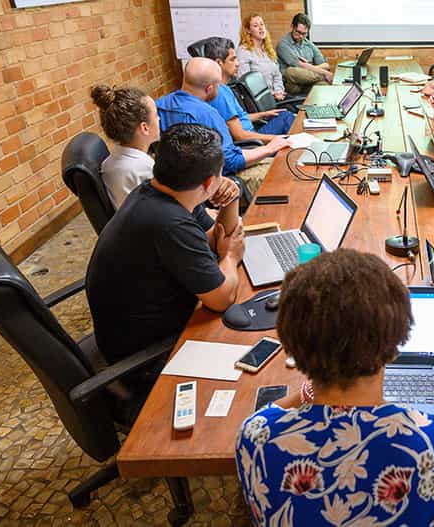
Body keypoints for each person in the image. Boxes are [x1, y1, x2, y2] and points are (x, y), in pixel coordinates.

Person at [236, 249, 434, 526]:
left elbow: (267, 417)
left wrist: (308, 385)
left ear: (289, 344)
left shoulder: (255, 437)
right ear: (395, 345)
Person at [86, 123, 244, 372]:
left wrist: (231, 197)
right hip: (146, 355)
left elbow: (215, 237)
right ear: (208, 182)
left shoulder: (165, 190)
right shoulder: (170, 223)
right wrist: (231, 257)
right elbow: (222, 299)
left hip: (139, 325)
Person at [156, 57, 289, 196]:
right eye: (218, 85)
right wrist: (269, 148)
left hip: (174, 185)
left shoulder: (159, 106)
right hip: (213, 184)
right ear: (209, 88)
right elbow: (230, 161)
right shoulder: (208, 114)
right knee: (284, 171)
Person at [202, 37, 295, 138]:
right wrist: (276, 138)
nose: (238, 64)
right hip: (252, 141)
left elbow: (240, 118)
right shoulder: (219, 94)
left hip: (252, 132)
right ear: (219, 63)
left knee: (285, 115)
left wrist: (263, 114)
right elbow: (240, 136)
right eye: (232, 59)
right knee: (286, 118)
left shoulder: (225, 88)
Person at [90, 85, 159, 208]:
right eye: (155, 115)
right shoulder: (144, 168)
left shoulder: (108, 163)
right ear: (145, 128)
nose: (158, 119)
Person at [276, 13, 332, 94]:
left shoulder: (309, 44)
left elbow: (326, 65)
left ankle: (322, 80)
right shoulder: (283, 44)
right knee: (291, 71)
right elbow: (300, 65)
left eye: (304, 33)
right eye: (298, 32)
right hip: (293, 84)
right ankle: (323, 77)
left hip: (309, 82)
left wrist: (311, 68)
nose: (301, 36)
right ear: (292, 27)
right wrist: (325, 73)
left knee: (324, 86)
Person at [237, 13, 288, 101]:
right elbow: (245, 82)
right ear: (248, 30)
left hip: (277, 96)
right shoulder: (243, 51)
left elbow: (277, 75)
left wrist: (279, 91)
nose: (261, 28)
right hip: (260, 100)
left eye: (262, 24)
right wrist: (272, 94)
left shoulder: (268, 50)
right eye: (256, 26)